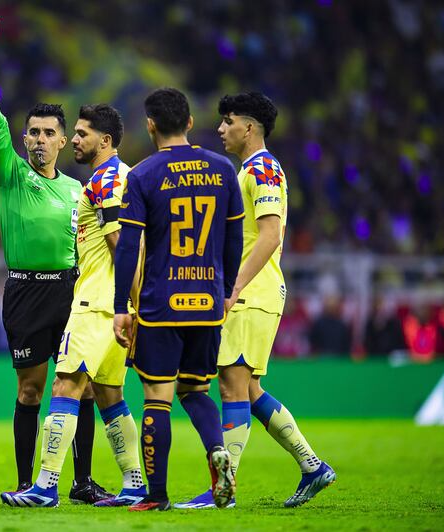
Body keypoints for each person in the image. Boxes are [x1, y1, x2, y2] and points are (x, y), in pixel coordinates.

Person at [0, 33, 110, 503]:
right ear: (24, 138)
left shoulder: (77, 189)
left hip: (71, 291)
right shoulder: (10, 173)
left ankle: (82, 483)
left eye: (49, 133)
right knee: (31, 390)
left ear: (64, 141)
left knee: (81, 387)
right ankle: (28, 482)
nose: (40, 140)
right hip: (26, 292)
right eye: (34, 132)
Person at [180, 92, 335, 510]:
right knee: (248, 389)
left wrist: (234, 287)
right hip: (257, 291)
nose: (220, 129)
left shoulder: (262, 168)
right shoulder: (252, 169)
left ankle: (222, 491)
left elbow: (270, 234)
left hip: (251, 292)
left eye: (227, 121)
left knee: (232, 387)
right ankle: (312, 465)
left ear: (249, 127)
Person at [1, 105, 146, 507]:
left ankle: (45, 487)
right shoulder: (129, 176)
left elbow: (120, 245)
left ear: (104, 140)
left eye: (80, 134)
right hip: (117, 305)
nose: (74, 141)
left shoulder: (102, 182)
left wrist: (132, 301)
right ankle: (134, 482)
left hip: (95, 301)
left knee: (66, 385)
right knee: (110, 394)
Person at [113, 87, 244, 511]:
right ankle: (217, 452)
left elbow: (129, 247)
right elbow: (234, 240)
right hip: (207, 300)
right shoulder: (223, 169)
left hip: (161, 303)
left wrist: (120, 307)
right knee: (195, 390)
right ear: (189, 123)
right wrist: (225, 293)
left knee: (157, 397)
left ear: (150, 125)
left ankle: (157, 496)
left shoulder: (142, 176)